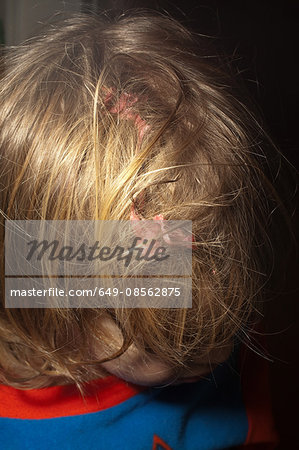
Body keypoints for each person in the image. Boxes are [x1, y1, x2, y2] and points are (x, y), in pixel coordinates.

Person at [0, 11, 282, 449]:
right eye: (167, 341)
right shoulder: (17, 426)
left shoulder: (230, 333)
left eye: (222, 322)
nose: (208, 358)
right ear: (56, 289)